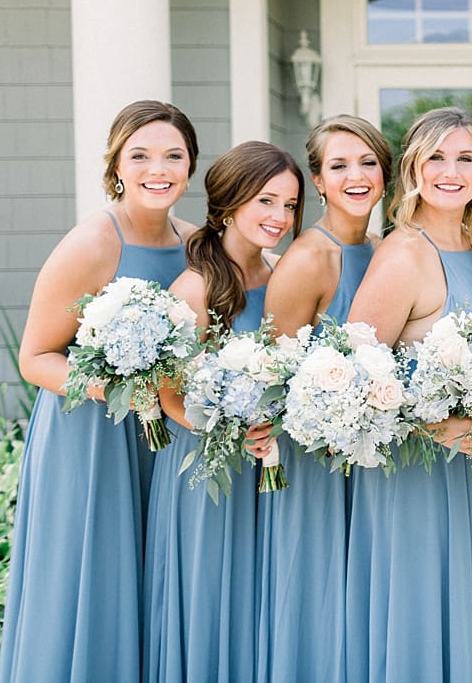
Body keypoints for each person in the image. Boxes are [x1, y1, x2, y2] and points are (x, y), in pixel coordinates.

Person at [0, 100, 199, 683]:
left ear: (189, 166)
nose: (156, 169)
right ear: (116, 165)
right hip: (90, 439)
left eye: (172, 156)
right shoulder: (90, 244)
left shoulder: (196, 243)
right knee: (94, 577)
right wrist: (121, 388)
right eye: (139, 156)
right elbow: (35, 358)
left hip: (165, 439)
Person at [345, 106, 472, 682]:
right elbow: (356, 378)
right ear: (412, 167)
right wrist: (435, 425)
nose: (450, 170)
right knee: (424, 620)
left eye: (466, 157)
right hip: (418, 474)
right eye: (436, 156)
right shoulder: (404, 254)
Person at [142, 141, 303, 682]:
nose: (280, 217)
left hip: (270, 467)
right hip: (207, 471)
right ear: (229, 204)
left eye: (290, 205)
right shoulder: (196, 287)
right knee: (212, 603)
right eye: (266, 201)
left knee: (261, 604)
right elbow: (169, 398)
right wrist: (231, 429)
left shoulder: (282, 272)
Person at [256, 115, 391, 681]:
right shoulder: (309, 258)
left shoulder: (384, 249)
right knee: (318, 598)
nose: (355, 176)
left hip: (375, 455)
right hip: (315, 463)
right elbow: (272, 376)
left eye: (367, 163)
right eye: (339, 166)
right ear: (318, 180)